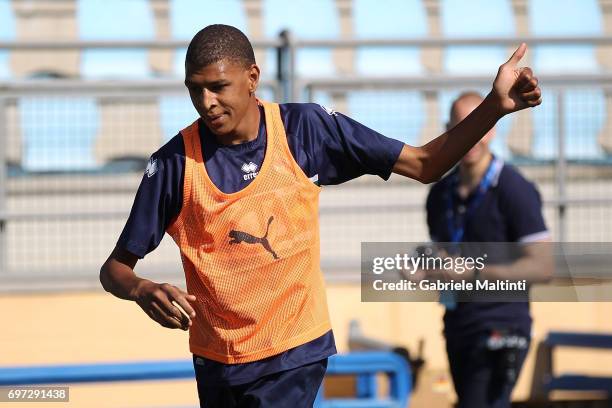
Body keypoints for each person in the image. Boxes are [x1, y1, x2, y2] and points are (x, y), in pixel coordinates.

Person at [99, 24, 542, 408]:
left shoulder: (306, 130)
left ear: (252, 78)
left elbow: (425, 164)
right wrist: (141, 288)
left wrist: (494, 106)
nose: (206, 101)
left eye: (218, 86)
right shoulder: (176, 163)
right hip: (217, 359)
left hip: (294, 353)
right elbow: (115, 268)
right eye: (195, 89)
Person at [424, 91, 553, 408]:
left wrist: (474, 272)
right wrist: (426, 270)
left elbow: (543, 267)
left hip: (502, 323)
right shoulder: (440, 194)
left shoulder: (514, 189)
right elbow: (445, 258)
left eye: (477, 127)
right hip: (457, 324)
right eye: (460, 127)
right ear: (448, 129)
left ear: (492, 129)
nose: (470, 138)